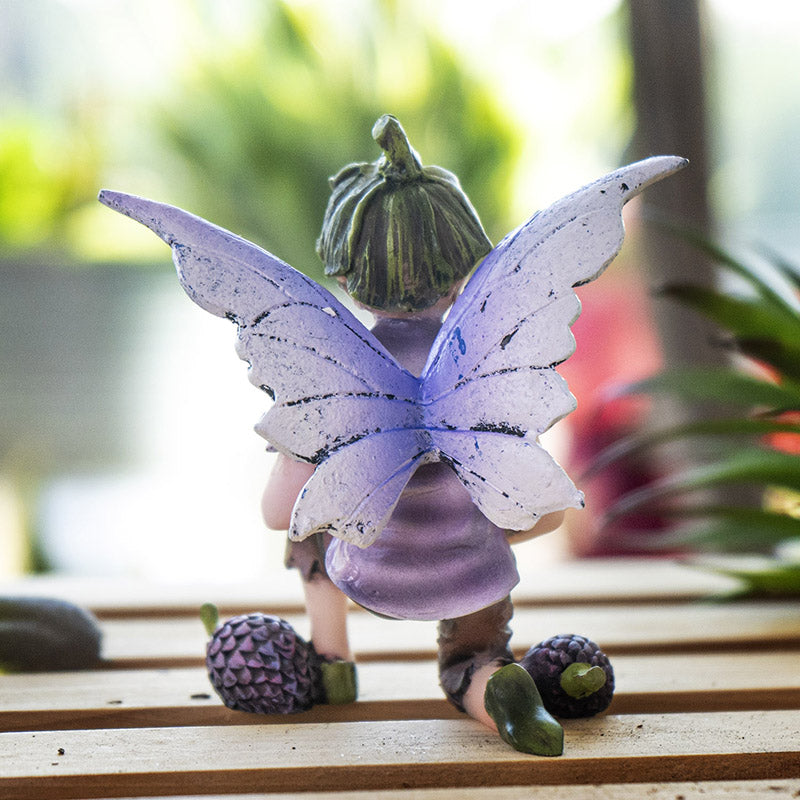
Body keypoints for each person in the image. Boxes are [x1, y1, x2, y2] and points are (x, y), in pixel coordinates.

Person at [261, 115, 565, 755]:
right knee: (474, 655)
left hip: (366, 571)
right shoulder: (485, 363)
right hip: (472, 572)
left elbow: (277, 512)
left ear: (343, 278)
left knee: (313, 528)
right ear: (467, 272)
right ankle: (488, 684)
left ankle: (331, 658)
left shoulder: (333, 378)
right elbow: (547, 514)